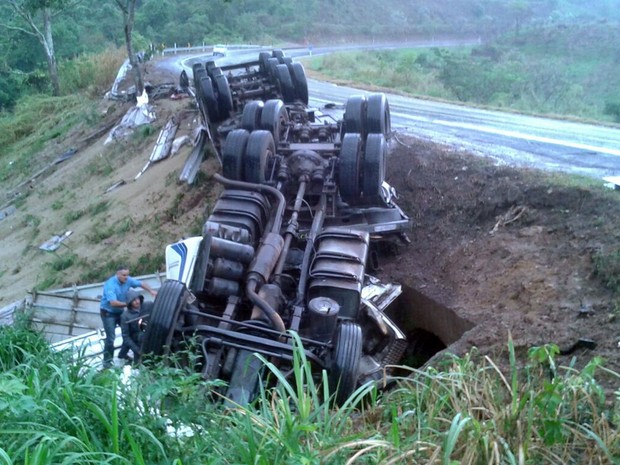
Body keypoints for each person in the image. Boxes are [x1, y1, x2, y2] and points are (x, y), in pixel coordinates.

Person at [99, 266, 157, 368]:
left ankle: (122, 354)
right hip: (108, 313)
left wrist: (151, 291)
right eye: (124, 275)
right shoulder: (110, 285)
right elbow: (113, 303)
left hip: (120, 311)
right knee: (111, 338)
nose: (126, 277)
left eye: (127, 275)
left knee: (128, 333)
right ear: (118, 275)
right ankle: (107, 362)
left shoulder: (128, 280)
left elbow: (141, 284)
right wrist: (130, 304)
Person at [118, 289, 150, 364]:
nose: (137, 301)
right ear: (129, 302)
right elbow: (126, 337)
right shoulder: (125, 316)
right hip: (137, 343)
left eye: (137, 298)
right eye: (134, 300)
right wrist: (137, 350)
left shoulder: (147, 307)